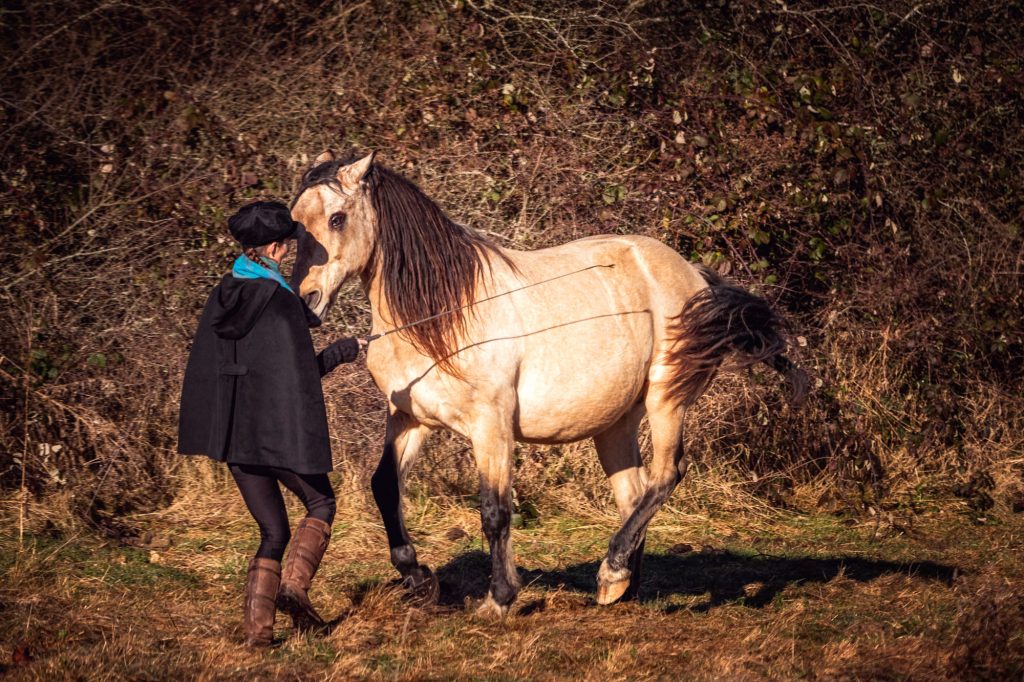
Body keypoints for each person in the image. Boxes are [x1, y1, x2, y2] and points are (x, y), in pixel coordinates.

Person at [177, 200, 365, 647]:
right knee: (321, 503)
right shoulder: (279, 301)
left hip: (234, 441)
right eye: (288, 246)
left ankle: (258, 636)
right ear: (277, 248)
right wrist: (344, 350)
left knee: (274, 532)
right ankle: (294, 589)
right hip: (275, 439)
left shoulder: (224, 293)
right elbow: (302, 377)